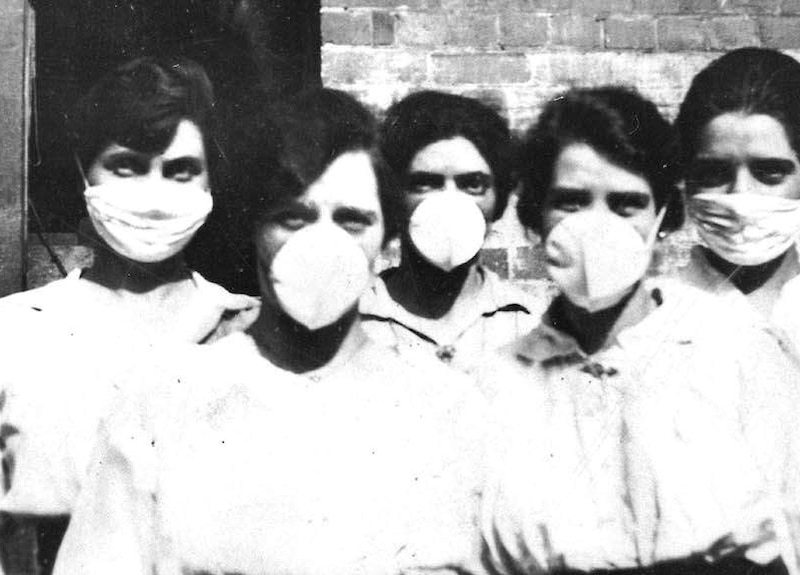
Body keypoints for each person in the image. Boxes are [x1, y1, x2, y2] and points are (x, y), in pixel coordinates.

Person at [53, 89, 488, 575]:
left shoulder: (445, 408)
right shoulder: (164, 398)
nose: (322, 242)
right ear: (254, 227)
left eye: (351, 220)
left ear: (387, 234)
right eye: (292, 217)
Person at [480, 87, 800, 574]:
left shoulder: (738, 354)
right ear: (535, 219)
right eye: (572, 203)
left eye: (626, 204)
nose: (598, 226)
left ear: (661, 217)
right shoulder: (496, 387)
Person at [0, 57, 258, 574]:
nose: (156, 193)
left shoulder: (249, 331)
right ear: (84, 173)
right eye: (127, 166)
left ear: (211, 182)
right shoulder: (17, 331)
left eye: (181, 171)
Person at [674, 47, 800, 525]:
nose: (741, 198)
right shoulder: (650, 329)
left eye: (770, 172)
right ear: (686, 185)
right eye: (715, 174)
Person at [360, 90, 538, 376]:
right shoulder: (351, 323)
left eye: (472, 184)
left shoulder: (530, 323)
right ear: (393, 195)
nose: (449, 202)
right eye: (426, 183)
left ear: (499, 198)